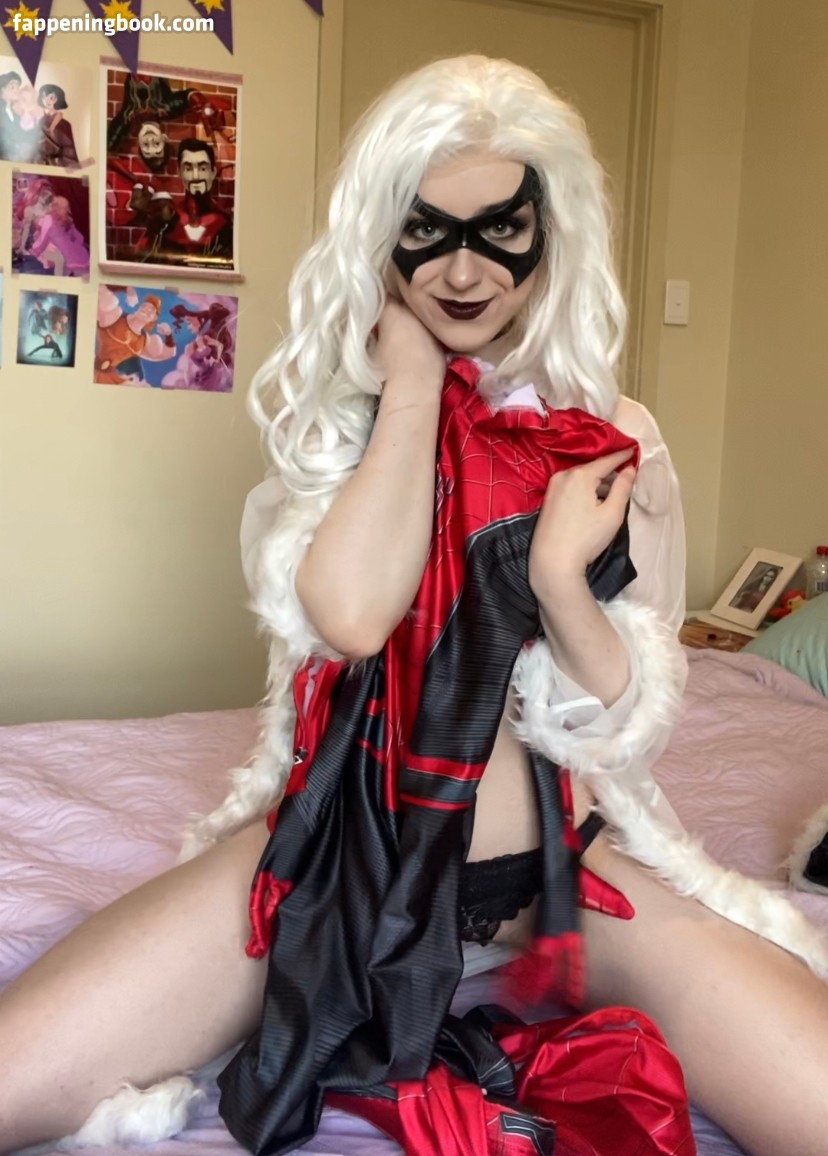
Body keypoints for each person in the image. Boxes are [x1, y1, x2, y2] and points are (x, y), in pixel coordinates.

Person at [1, 55, 827, 1156]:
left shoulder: (611, 435)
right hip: (338, 861)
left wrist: (556, 581)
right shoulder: (341, 425)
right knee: (16, 1072)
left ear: (550, 233)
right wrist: (414, 388)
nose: (465, 270)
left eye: (501, 229)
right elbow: (350, 617)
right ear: (379, 238)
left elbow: (623, 718)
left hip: (560, 875)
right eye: (426, 231)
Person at [93, 286, 176, 384]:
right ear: (139, 308)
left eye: (152, 310)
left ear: (154, 318)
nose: (147, 309)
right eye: (144, 306)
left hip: (109, 380)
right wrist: (127, 289)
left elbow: (167, 353)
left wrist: (169, 335)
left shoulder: (144, 341)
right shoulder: (115, 316)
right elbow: (101, 289)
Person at [37, 83, 79, 167]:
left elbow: (69, 151)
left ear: (57, 99)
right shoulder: (41, 121)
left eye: (51, 98)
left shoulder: (65, 124)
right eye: (44, 97)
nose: (47, 101)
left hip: (57, 165)